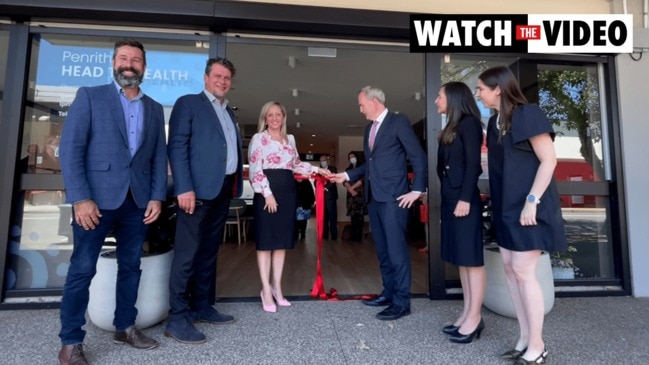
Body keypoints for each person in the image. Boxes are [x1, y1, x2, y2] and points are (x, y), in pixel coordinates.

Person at [58, 39, 167, 365]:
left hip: (137, 203)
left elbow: (158, 159)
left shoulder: (154, 108)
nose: (129, 64)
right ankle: (71, 342)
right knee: (82, 269)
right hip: (95, 203)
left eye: (136, 59)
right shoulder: (91, 96)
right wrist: (80, 198)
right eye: (123, 58)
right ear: (114, 63)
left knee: (132, 267)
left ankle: (125, 326)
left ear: (144, 67)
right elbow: (70, 149)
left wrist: (157, 197)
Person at [476, 66, 567, 364]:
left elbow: (549, 160)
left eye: (481, 89)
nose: (478, 94)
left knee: (525, 273)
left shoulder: (528, 114)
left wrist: (532, 201)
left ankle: (538, 345)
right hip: (506, 209)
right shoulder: (493, 123)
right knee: (511, 271)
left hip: (530, 208)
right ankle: (525, 338)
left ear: (498, 89)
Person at [331, 86, 427, 321]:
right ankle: (389, 292)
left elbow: (417, 156)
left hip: (395, 198)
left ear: (374, 102)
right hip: (374, 197)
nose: (360, 109)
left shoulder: (398, 122)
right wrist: (346, 175)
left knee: (396, 251)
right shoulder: (368, 129)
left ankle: (402, 302)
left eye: (362, 104)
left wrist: (417, 190)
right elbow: (370, 164)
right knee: (383, 251)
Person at [165, 57, 244, 344]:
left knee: (209, 252)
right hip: (195, 192)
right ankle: (177, 317)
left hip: (222, 190)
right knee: (187, 255)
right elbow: (176, 146)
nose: (222, 81)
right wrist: (184, 187)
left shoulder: (228, 112)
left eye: (227, 78)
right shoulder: (189, 103)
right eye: (218, 76)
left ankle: (202, 306)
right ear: (206, 78)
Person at [248, 101, 330, 313]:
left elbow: (295, 165)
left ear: (284, 117)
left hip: (287, 193)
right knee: (266, 243)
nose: (274, 118)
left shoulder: (289, 139)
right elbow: (255, 170)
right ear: (264, 118)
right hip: (267, 195)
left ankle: (277, 288)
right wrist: (267, 194)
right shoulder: (259, 139)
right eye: (270, 115)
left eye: (278, 114)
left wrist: (316, 170)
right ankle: (265, 290)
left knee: (281, 243)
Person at [434, 82, 486, 344]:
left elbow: (473, 166)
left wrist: (465, 198)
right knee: (462, 260)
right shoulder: (452, 127)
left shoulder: (469, 124)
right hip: (451, 199)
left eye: (439, 96)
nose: (435, 100)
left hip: (464, 200)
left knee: (472, 260)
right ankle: (468, 312)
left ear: (453, 98)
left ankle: (475, 318)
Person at [343, 151, 367, 242]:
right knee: (353, 216)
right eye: (350, 157)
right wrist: (350, 189)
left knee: (359, 215)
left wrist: (353, 188)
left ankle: (359, 236)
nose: (351, 158)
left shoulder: (361, 168)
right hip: (350, 196)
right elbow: (344, 180)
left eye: (353, 156)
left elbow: (363, 179)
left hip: (359, 194)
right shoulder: (348, 169)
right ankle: (353, 235)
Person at [319, 154, 338, 240]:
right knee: (324, 217)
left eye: (324, 160)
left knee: (332, 216)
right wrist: (319, 188)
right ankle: (325, 234)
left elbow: (333, 180)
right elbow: (317, 181)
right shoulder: (319, 171)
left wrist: (325, 187)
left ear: (327, 160)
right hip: (322, 197)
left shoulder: (333, 169)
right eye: (321, 161)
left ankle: (334, 234)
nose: (322, 162)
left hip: (331, 196)